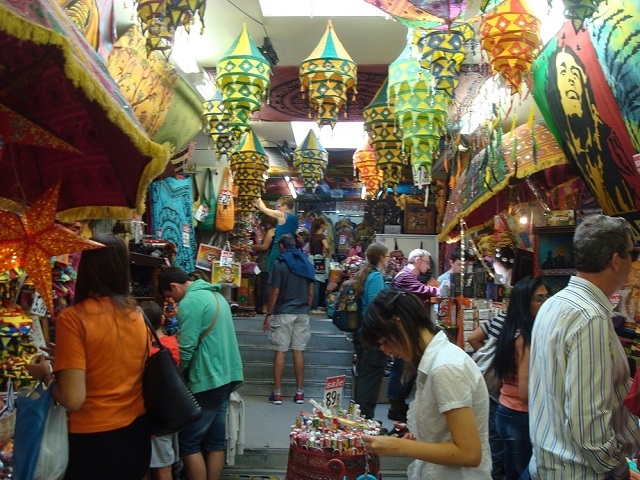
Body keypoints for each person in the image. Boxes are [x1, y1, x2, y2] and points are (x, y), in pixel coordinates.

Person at [26, 233, 150, 480]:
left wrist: (45, 376)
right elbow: (114, 360)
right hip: (136, 435)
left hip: (94, 443)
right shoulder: (136, 315)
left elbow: (73, 399)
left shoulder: (74, 319)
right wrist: (68, 356)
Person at [525, 214, 640, 479]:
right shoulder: (590, 317)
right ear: (615, 261)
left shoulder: (554, 303)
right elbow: (587, 420)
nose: (634, 264)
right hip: (581, 471)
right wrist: (617, 468)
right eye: (632, 255)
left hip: (551, 463)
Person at [361, 288, 491, 479]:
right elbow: (447, 432)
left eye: (385, 341)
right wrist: (420, 433)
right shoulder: (435, 363)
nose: (386, 351)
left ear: (400, 324)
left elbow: (469, 453)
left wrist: (399, 446)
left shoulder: (446, 368)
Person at [158, 267, 243, 480]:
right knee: (215, 441)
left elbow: (186, 348)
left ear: (173, 286)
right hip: (227, 374)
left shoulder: (191, 302)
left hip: (209, 376)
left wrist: (175, 376)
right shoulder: (216, 295)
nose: (173, 302)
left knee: (189, 441)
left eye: (170, 296)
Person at [546, 45, 638, 214]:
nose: (570, 79)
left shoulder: (608, 138)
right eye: (563, 72)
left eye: (575, 72)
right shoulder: (566, 148)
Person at [493, 277, 549, 480]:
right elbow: (525, 392)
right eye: (538, 299)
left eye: (547, 297)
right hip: (519, 414)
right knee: (523, 472)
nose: (545, 303)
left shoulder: (511, 331)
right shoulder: (525, 338)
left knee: (514, 469)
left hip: (507, 409)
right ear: (524, 304)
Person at [388, 248, 440, 422]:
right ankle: (396, 405)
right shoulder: (405, 276)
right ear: (417, 260)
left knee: (405, 366)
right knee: (401, 366)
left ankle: (398, 405)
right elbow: (425, 291)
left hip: (406, 328)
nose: (428, 266)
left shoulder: (408, 276)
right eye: (427, 262)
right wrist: (442, 290)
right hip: (403, 329)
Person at [263, 233, 315, 405]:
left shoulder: (279, 263)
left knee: (281, 351)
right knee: (298, 351)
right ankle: (299, 393)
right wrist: (306, 308)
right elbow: (310, 292)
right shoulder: (306, 263)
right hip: (302, 312)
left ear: (281, 246)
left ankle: (277, 393)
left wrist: (269, 314)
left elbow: (275, 292)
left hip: (284, 312)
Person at [140, 301, 180, 480]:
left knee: (157, 466)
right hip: (170, 412)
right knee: (164, 465)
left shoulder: (147, 351)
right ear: (162, 319)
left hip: (153, 416)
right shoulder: (172, 343)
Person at [350, 242, 390, 419]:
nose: (389, 259)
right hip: (371, 334)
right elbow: (376, 307)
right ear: (381, 258)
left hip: (363, 332)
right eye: (387, 256)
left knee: (364, 375)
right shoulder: (375, 277)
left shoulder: (367, 275)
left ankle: (360, 417)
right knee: (371, 377)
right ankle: (365, 418)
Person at [255, 195, 298, 272]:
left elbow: (264, 209)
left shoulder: (282, 215)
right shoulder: (295, 219)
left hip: (278, 247)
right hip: (290, 248)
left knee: (273, 271)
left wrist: (257, 196)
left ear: (285, 206)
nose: (279, 209)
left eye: (279, 206)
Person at [252, 215, 277, 314]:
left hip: (265, 260)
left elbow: (265, 246)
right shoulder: (275, 231)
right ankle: (266, 306)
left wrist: (253, 246)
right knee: (266, 283)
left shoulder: (271, 232)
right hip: (268, 260)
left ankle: (265, 306)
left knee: (265, 284)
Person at [309, 217, 330, 314]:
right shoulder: (321, 237)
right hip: (320, 261)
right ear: (321, 226)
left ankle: (313, 305)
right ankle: (316, 306)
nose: (326, 227)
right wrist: (327, 252)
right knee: (319, 283)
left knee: (315, 283)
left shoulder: (312, 236)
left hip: (312, 260)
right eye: (325, 225)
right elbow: (327, 246)